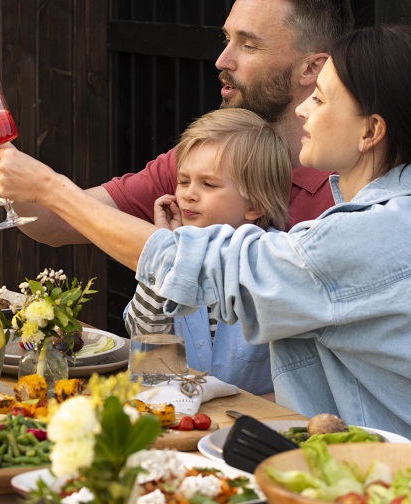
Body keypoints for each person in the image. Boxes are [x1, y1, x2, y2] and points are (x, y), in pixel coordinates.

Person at [0, 25, 411, 445]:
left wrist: (52, 188)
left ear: (370, 131)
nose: (303, 111)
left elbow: (195, 265)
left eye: (320, 98)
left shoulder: (375, 234)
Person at [0, 0, 354, 243]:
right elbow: (61, 225)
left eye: (248, 45)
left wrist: (48, 186)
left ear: (311, 69)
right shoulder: (204, 159)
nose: (222, 61)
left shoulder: (356, 185)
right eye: (226, 40)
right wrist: (6, 176)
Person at [123, 108, 292, 395]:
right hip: (177, 416)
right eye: (184, 181)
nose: (188, 194)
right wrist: (165, 247)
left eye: (209, 184)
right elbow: (144, 336)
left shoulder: (278, 264)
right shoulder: (176, 252)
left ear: (255, 205)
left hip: (255, 425)